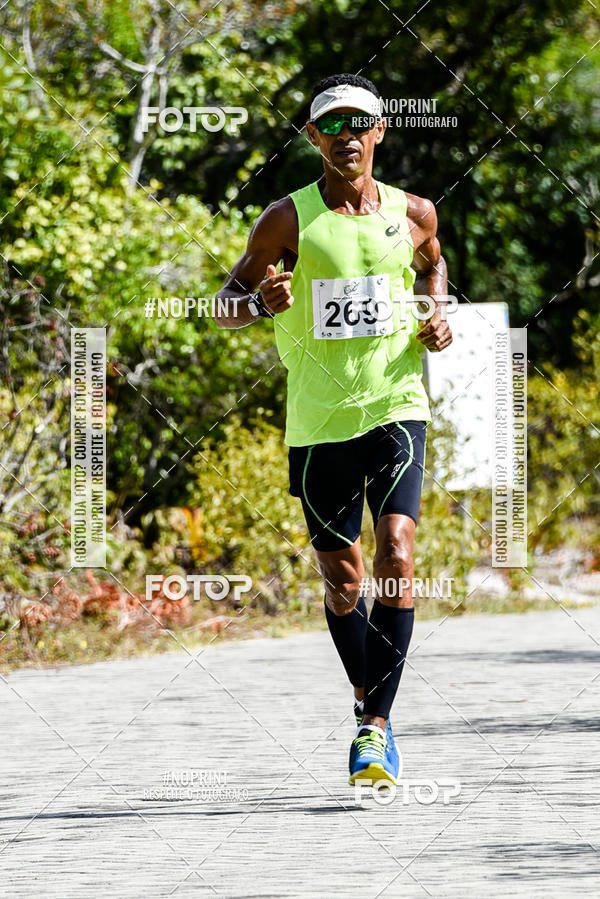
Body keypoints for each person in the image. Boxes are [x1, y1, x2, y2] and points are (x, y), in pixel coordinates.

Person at [215, 73, 452, 786]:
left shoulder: (415, 212)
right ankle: (365, 697)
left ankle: (374, 728)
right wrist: (260, 303)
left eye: (360, 122)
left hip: (395, 404)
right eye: (333, 125)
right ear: (314, 136)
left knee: (398, 551)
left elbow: (434, 267)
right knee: (344, 582)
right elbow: (225, 305)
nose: (348, 135)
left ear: (379, 130)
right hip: (319, 421)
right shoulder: (286, 219)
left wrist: (436, 313)